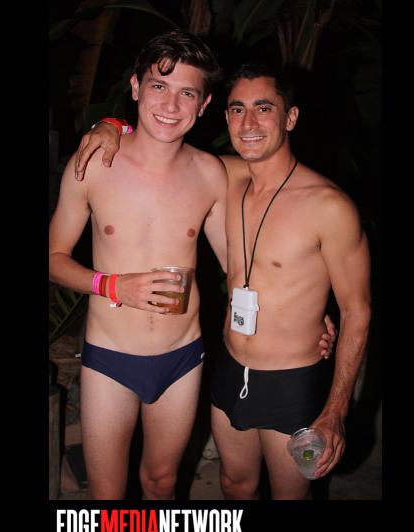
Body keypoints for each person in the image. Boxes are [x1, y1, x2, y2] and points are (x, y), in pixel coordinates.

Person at [50, 32, 335, 500]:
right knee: (107, 496)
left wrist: (308, 315)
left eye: (187, 93)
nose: (171, 104)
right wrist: (113, 286)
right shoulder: (94, 164)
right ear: (136, 87)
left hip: (183, 356)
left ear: (203, 106)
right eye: (159, 86)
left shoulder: (211, 173)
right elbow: (54, 260)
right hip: (109, 357)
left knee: (161, 482)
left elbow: (239, 266)